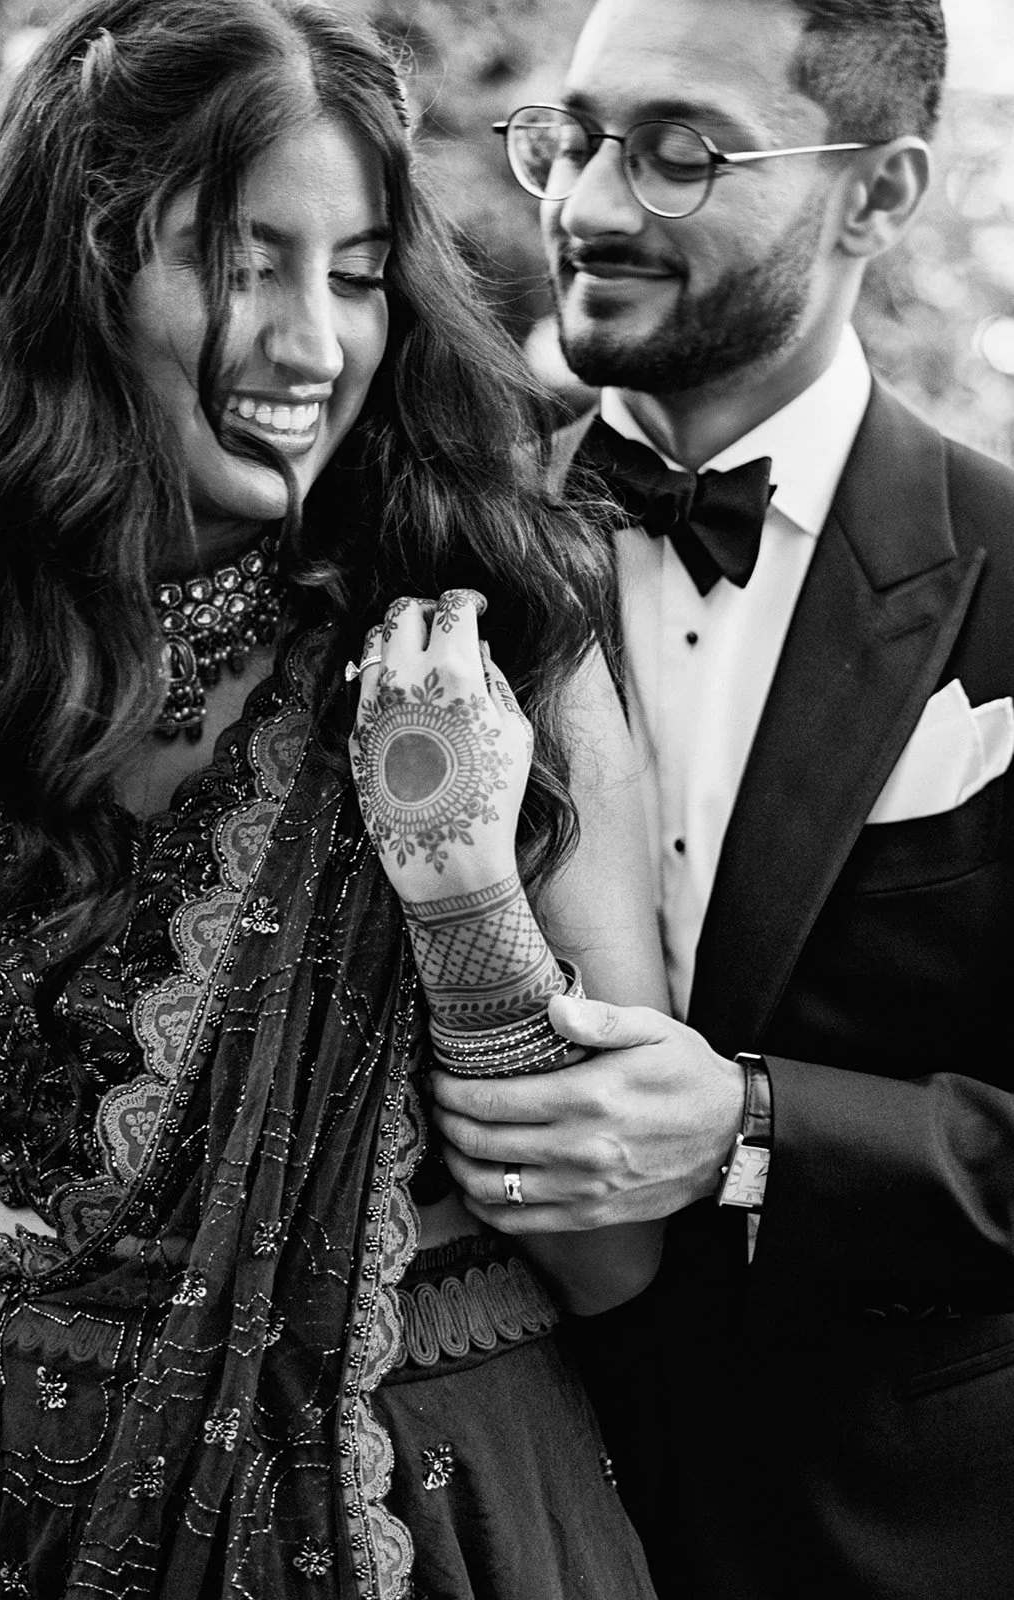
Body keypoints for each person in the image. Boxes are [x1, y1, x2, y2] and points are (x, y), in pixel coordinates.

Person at [0, 1, 670, 1594]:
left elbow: (617, 1253)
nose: (310, 344)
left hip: (431, 1496)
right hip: (1, 1513)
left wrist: (460, 893)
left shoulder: (494, 634)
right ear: (80, 271)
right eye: (236, 264)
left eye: (353, 275)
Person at [427, 1, 1014, 1597]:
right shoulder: (427, 538)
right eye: (573, 138)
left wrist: (757, 1133)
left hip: (891, 1535)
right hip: (470, 1511)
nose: (591, 206)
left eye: (683, 153)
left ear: (878, 194)